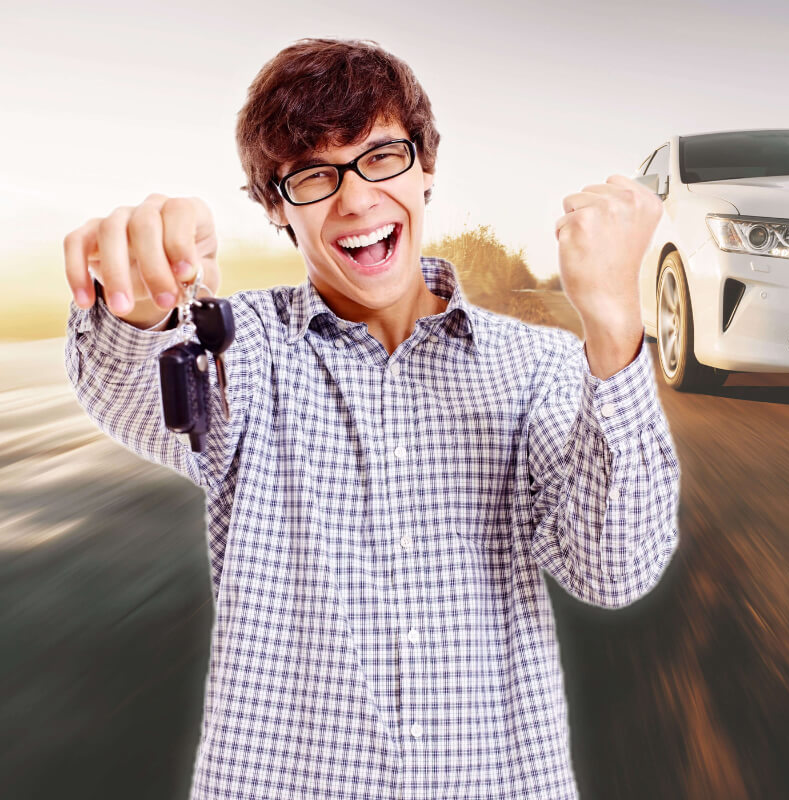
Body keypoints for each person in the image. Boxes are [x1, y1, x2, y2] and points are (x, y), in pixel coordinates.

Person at [61, 37, 679, 800]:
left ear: (425, 169)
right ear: (275, 208)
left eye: (380, 156)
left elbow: (613, 573)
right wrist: (148, 299)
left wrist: (615, 328)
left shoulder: (540, 369)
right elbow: (125, 389)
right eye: (314, 175)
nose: (354, 200)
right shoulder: (244, 351)